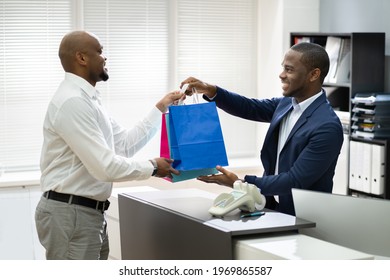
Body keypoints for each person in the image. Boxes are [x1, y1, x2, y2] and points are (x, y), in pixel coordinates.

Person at [35, 30, 183, 260]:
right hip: (71, 215)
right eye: (100, 51)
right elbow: (105, 167)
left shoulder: (90, 100)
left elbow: (123, 145)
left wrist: (160, 108)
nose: (105, 58)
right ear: (82, 58)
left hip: (87, 214)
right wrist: (153, 167)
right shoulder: (73, 102)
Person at [181, 42, 344, 216]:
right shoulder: (286, 104)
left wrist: (239, 182)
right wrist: (210, 90)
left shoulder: (327, 127)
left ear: (314, 74)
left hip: (305, 217)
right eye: (283, 68)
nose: (281, 75)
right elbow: (249, 107)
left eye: (289, 70)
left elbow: (295, 180)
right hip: (272, 208)